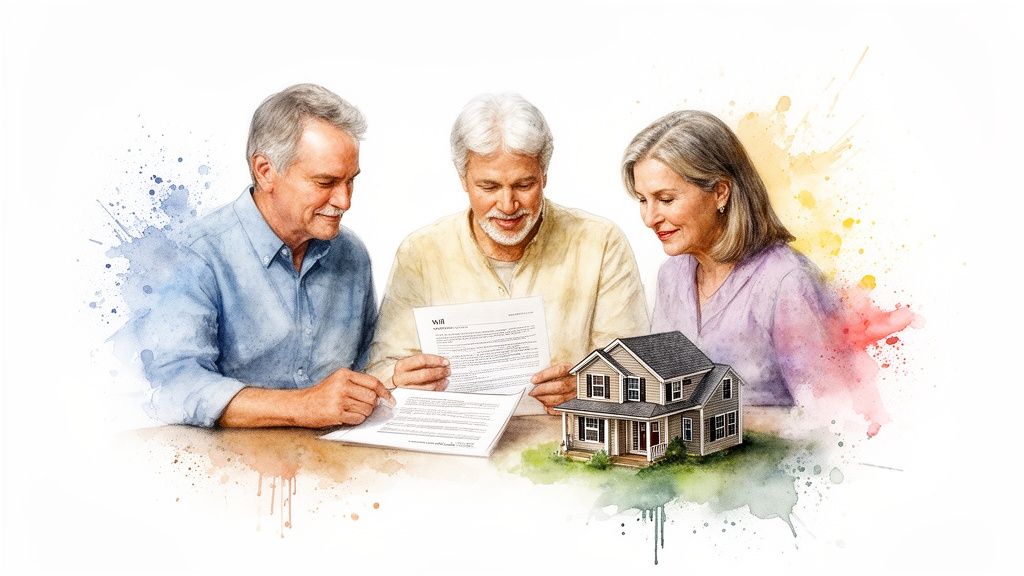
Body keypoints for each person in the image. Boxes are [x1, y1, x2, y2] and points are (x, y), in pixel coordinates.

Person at [366, 93, 649, 414]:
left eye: (524, 184)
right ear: (463, 180)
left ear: (544, 174)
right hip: (454, 444)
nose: (507, 205)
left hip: (562, 443)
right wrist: (400, 377)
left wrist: (587, 387)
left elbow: (637, 372)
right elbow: (380, 370)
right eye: (488, 187)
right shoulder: (421, 252)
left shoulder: (601, 242)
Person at [138, 83, 393, 428]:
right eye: (325, 182)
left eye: (350, 181)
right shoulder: (196, 255)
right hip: (227, 471)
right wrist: (302, 406)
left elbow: (360, 368)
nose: (344, 201)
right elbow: (173, 387)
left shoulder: (352, 255)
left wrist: (390, 377)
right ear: (264, 170)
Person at [621, 110, 837, 407]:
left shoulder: (787, 279)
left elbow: (831, 417)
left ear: (720, 193)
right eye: (643, 200)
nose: (649, 218)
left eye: (666, 199)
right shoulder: (671, 275)